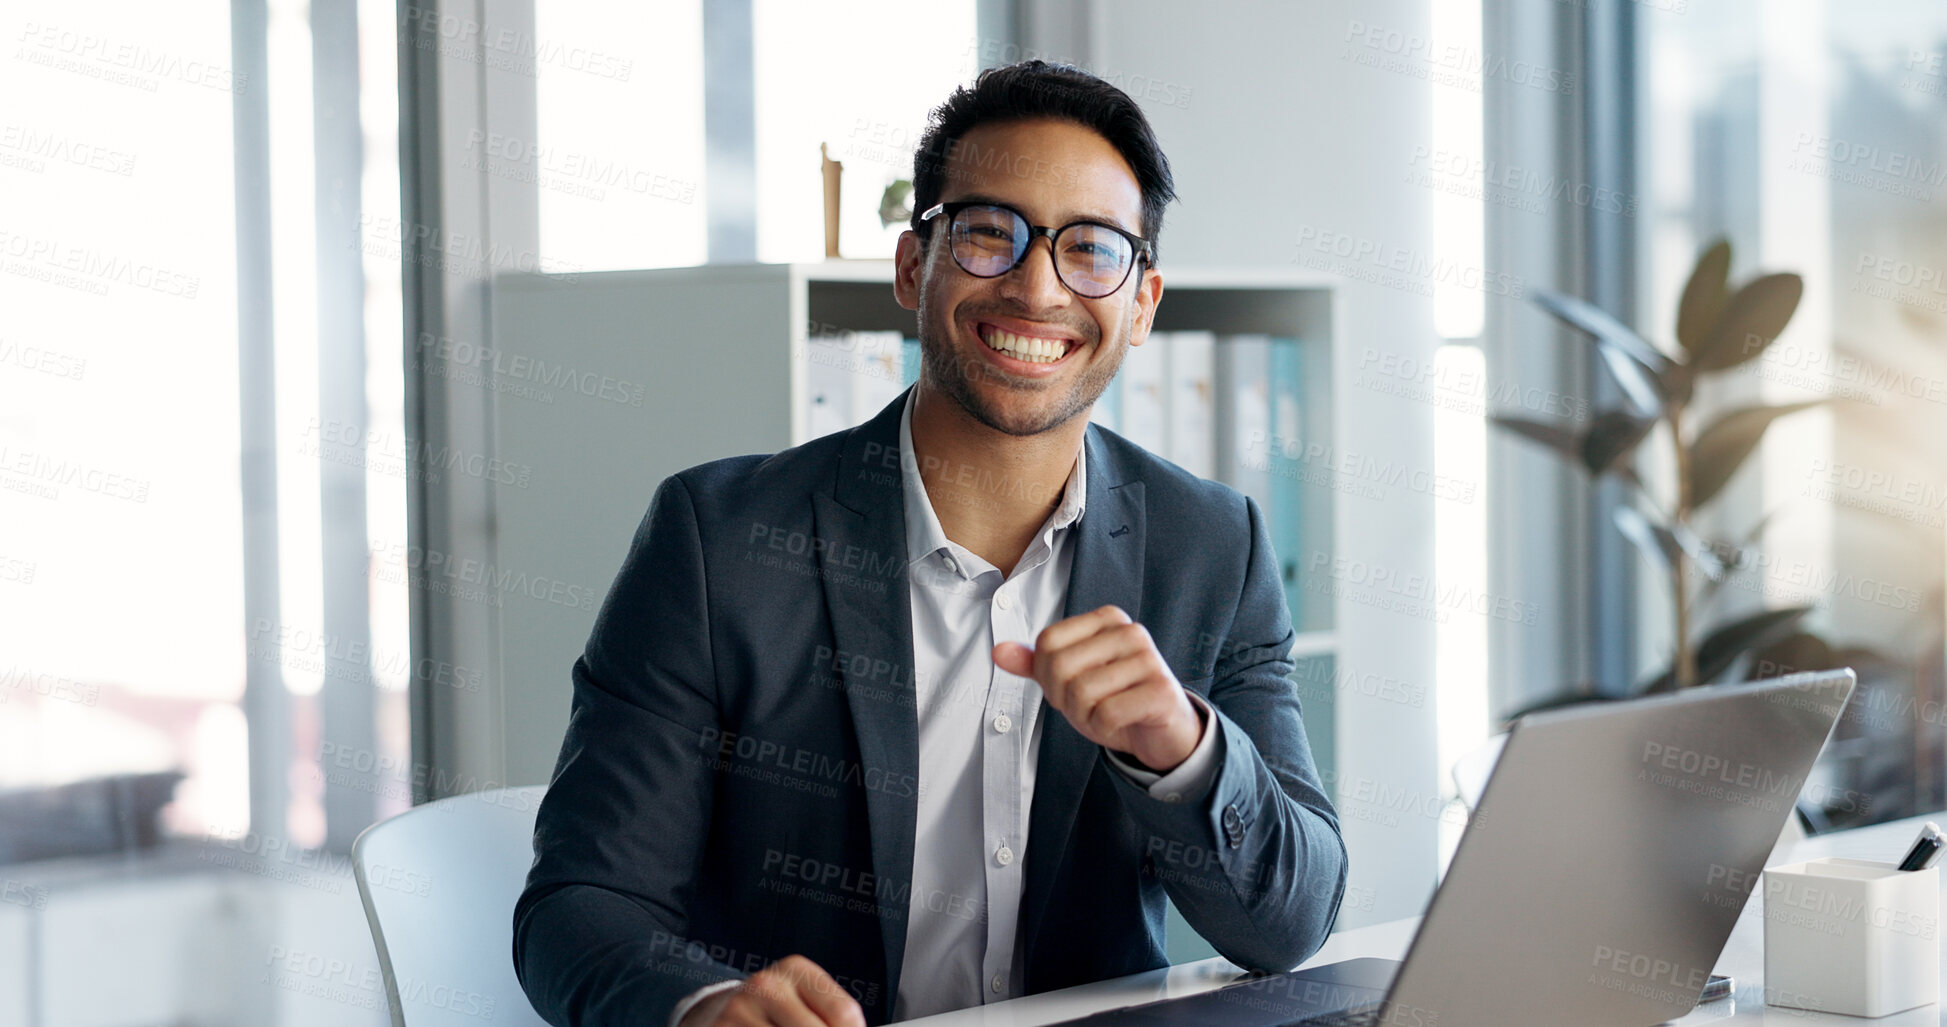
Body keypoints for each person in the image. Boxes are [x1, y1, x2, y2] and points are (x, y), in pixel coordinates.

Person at [513, 59, 1346, 1027]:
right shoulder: (720, 540)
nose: (1038, 287)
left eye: (1092, 249)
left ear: (1144, 303)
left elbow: (1292, 922)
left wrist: (1186, 753)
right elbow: (583, 901)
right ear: (915, 266)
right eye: (991, 234)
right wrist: (701, 1006)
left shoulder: (1214, 547)